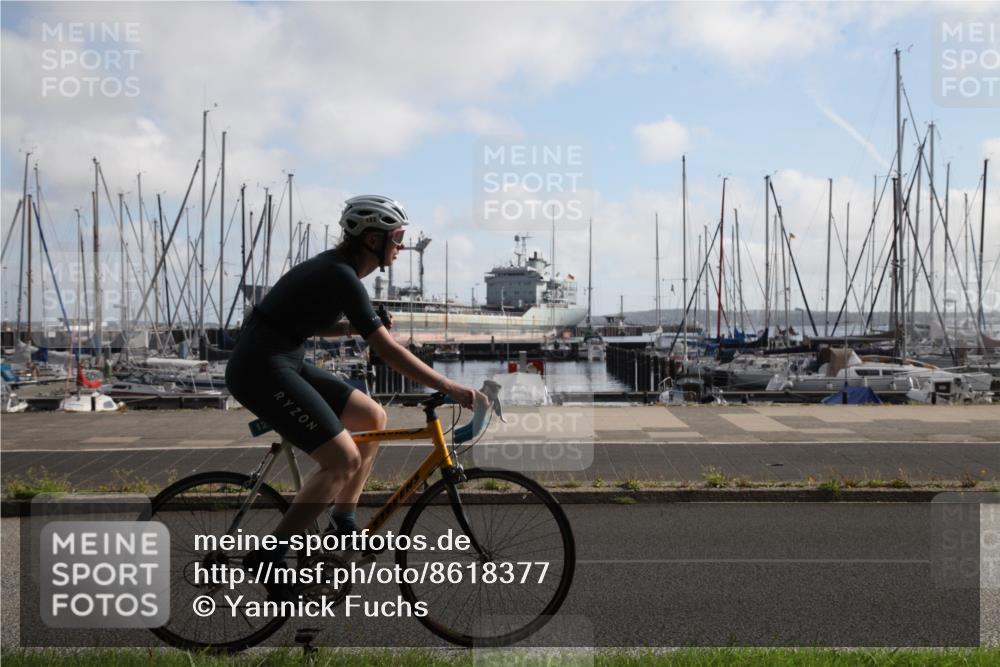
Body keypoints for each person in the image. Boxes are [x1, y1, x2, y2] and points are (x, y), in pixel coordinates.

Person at [225, 194, 483, 585]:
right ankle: (270, 556)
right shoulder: (340, 274)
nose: (400, 246)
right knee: (342, 460)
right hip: (259, 368)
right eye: (397, 238)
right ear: (372, 239)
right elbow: (386, 351)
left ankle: (342, 521)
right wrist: (448, 385)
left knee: (372, 416)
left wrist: (349, 327)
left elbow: (303, 320)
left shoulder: (340, 272)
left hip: (282, 359)